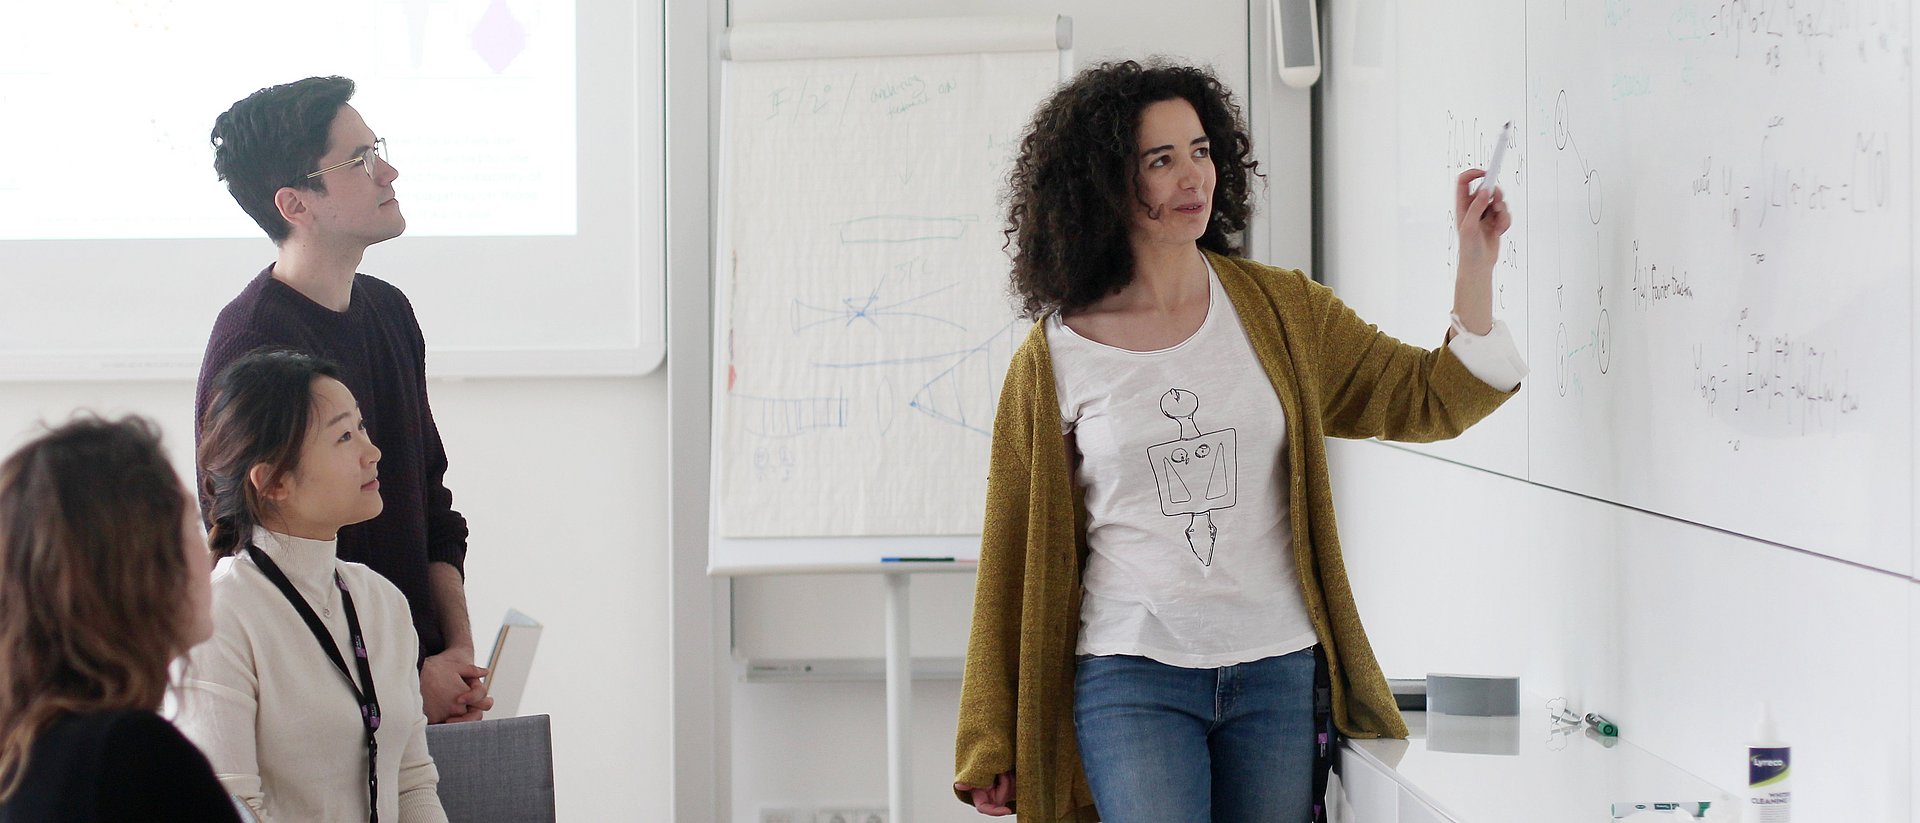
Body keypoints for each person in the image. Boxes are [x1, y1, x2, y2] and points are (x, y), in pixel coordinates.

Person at [952, 61, 1528, 822]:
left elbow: (1423, 398)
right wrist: (991, 736)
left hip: (1276, 670)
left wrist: (1474, 261)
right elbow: (1013, 548)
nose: (1193, 176)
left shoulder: (1279, 309)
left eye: (1200, 150)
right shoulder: (1056, 356)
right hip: (1132, 673)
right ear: (1103, 184)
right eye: (1160, 161)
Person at [199, 75, 489, 724]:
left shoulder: (389, 311)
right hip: (326, 717)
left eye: (376, 148)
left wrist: (454, 654)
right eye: (359, 160)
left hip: (421, 694)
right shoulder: (251, 344)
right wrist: (405, 680)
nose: (388, 170)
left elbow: (432, 506)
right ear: (295, 204)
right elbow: (250, 559)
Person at [177, 349, 448, 822]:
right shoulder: (222, 616)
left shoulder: (382, 601)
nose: (372, 451)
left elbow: (412, 783)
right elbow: (230, 809)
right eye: (344, 436)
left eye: (361, 427)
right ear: (274, 482)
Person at [0, 416, 241, 823]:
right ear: (143, 565)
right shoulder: (135, 758)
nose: (208, 551)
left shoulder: (29, 756)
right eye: (192, 525)